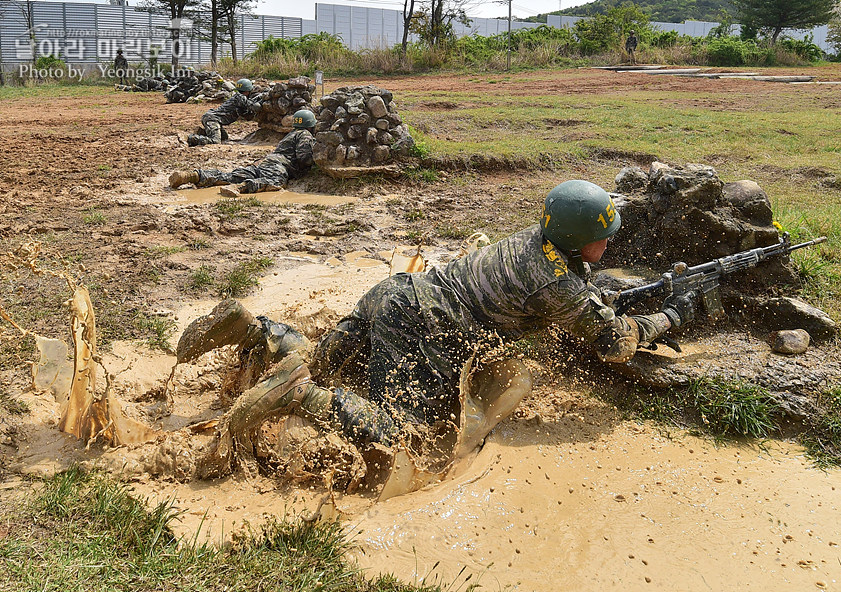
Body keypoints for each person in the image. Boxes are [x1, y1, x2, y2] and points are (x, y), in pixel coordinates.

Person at [178, 180, 696, 469]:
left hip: (394, 294)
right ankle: (298, 397)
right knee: (407, 435)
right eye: (603, 238)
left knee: (325, 362)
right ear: (577, 236)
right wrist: (670, 315)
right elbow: (613, 343)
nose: (609, 246)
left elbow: (571, 289)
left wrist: (601, 295)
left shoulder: (532, 239)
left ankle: (254, 327)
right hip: (422, 327)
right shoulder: (556, 285)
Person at [169, 109, 317, 195]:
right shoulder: (305, 134)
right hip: (279, 167)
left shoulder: (291, 134)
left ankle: (195, 176)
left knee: (231, 175)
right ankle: (242, 187)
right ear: (311, 125)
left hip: (265, 163)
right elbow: (304, 158)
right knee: (275, 182)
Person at [187, 78, 262, 146]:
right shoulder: (240, 98)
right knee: (215, 141)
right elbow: (255, 107)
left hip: (212, 118)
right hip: (212, 119)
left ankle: (202, 132)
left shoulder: (238, 97)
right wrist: (262, 100)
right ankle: (192, 138)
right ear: (248, 90)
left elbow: (247, 116)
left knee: (224, 138)